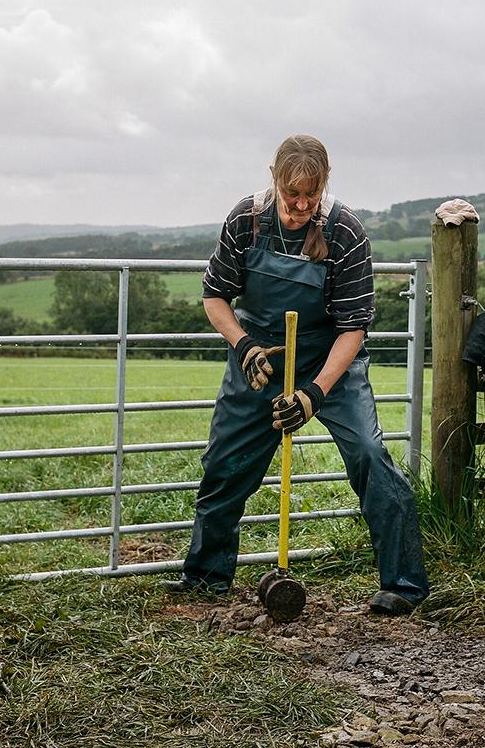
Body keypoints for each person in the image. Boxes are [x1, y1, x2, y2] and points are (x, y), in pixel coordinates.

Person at [166, 134, 429, 615]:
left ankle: (404, 584)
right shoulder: (246, 221)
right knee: (225, 464)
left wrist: (314, 394)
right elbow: (215, 297)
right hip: (260, 357)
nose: (301, 206)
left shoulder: (346, 232)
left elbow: (354, 328)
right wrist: (243, 345)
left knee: (370, 454)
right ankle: (207, 577)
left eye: (311, 196)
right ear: (275, 180)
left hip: (330, 359)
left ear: (324, 186)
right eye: (293, 196)